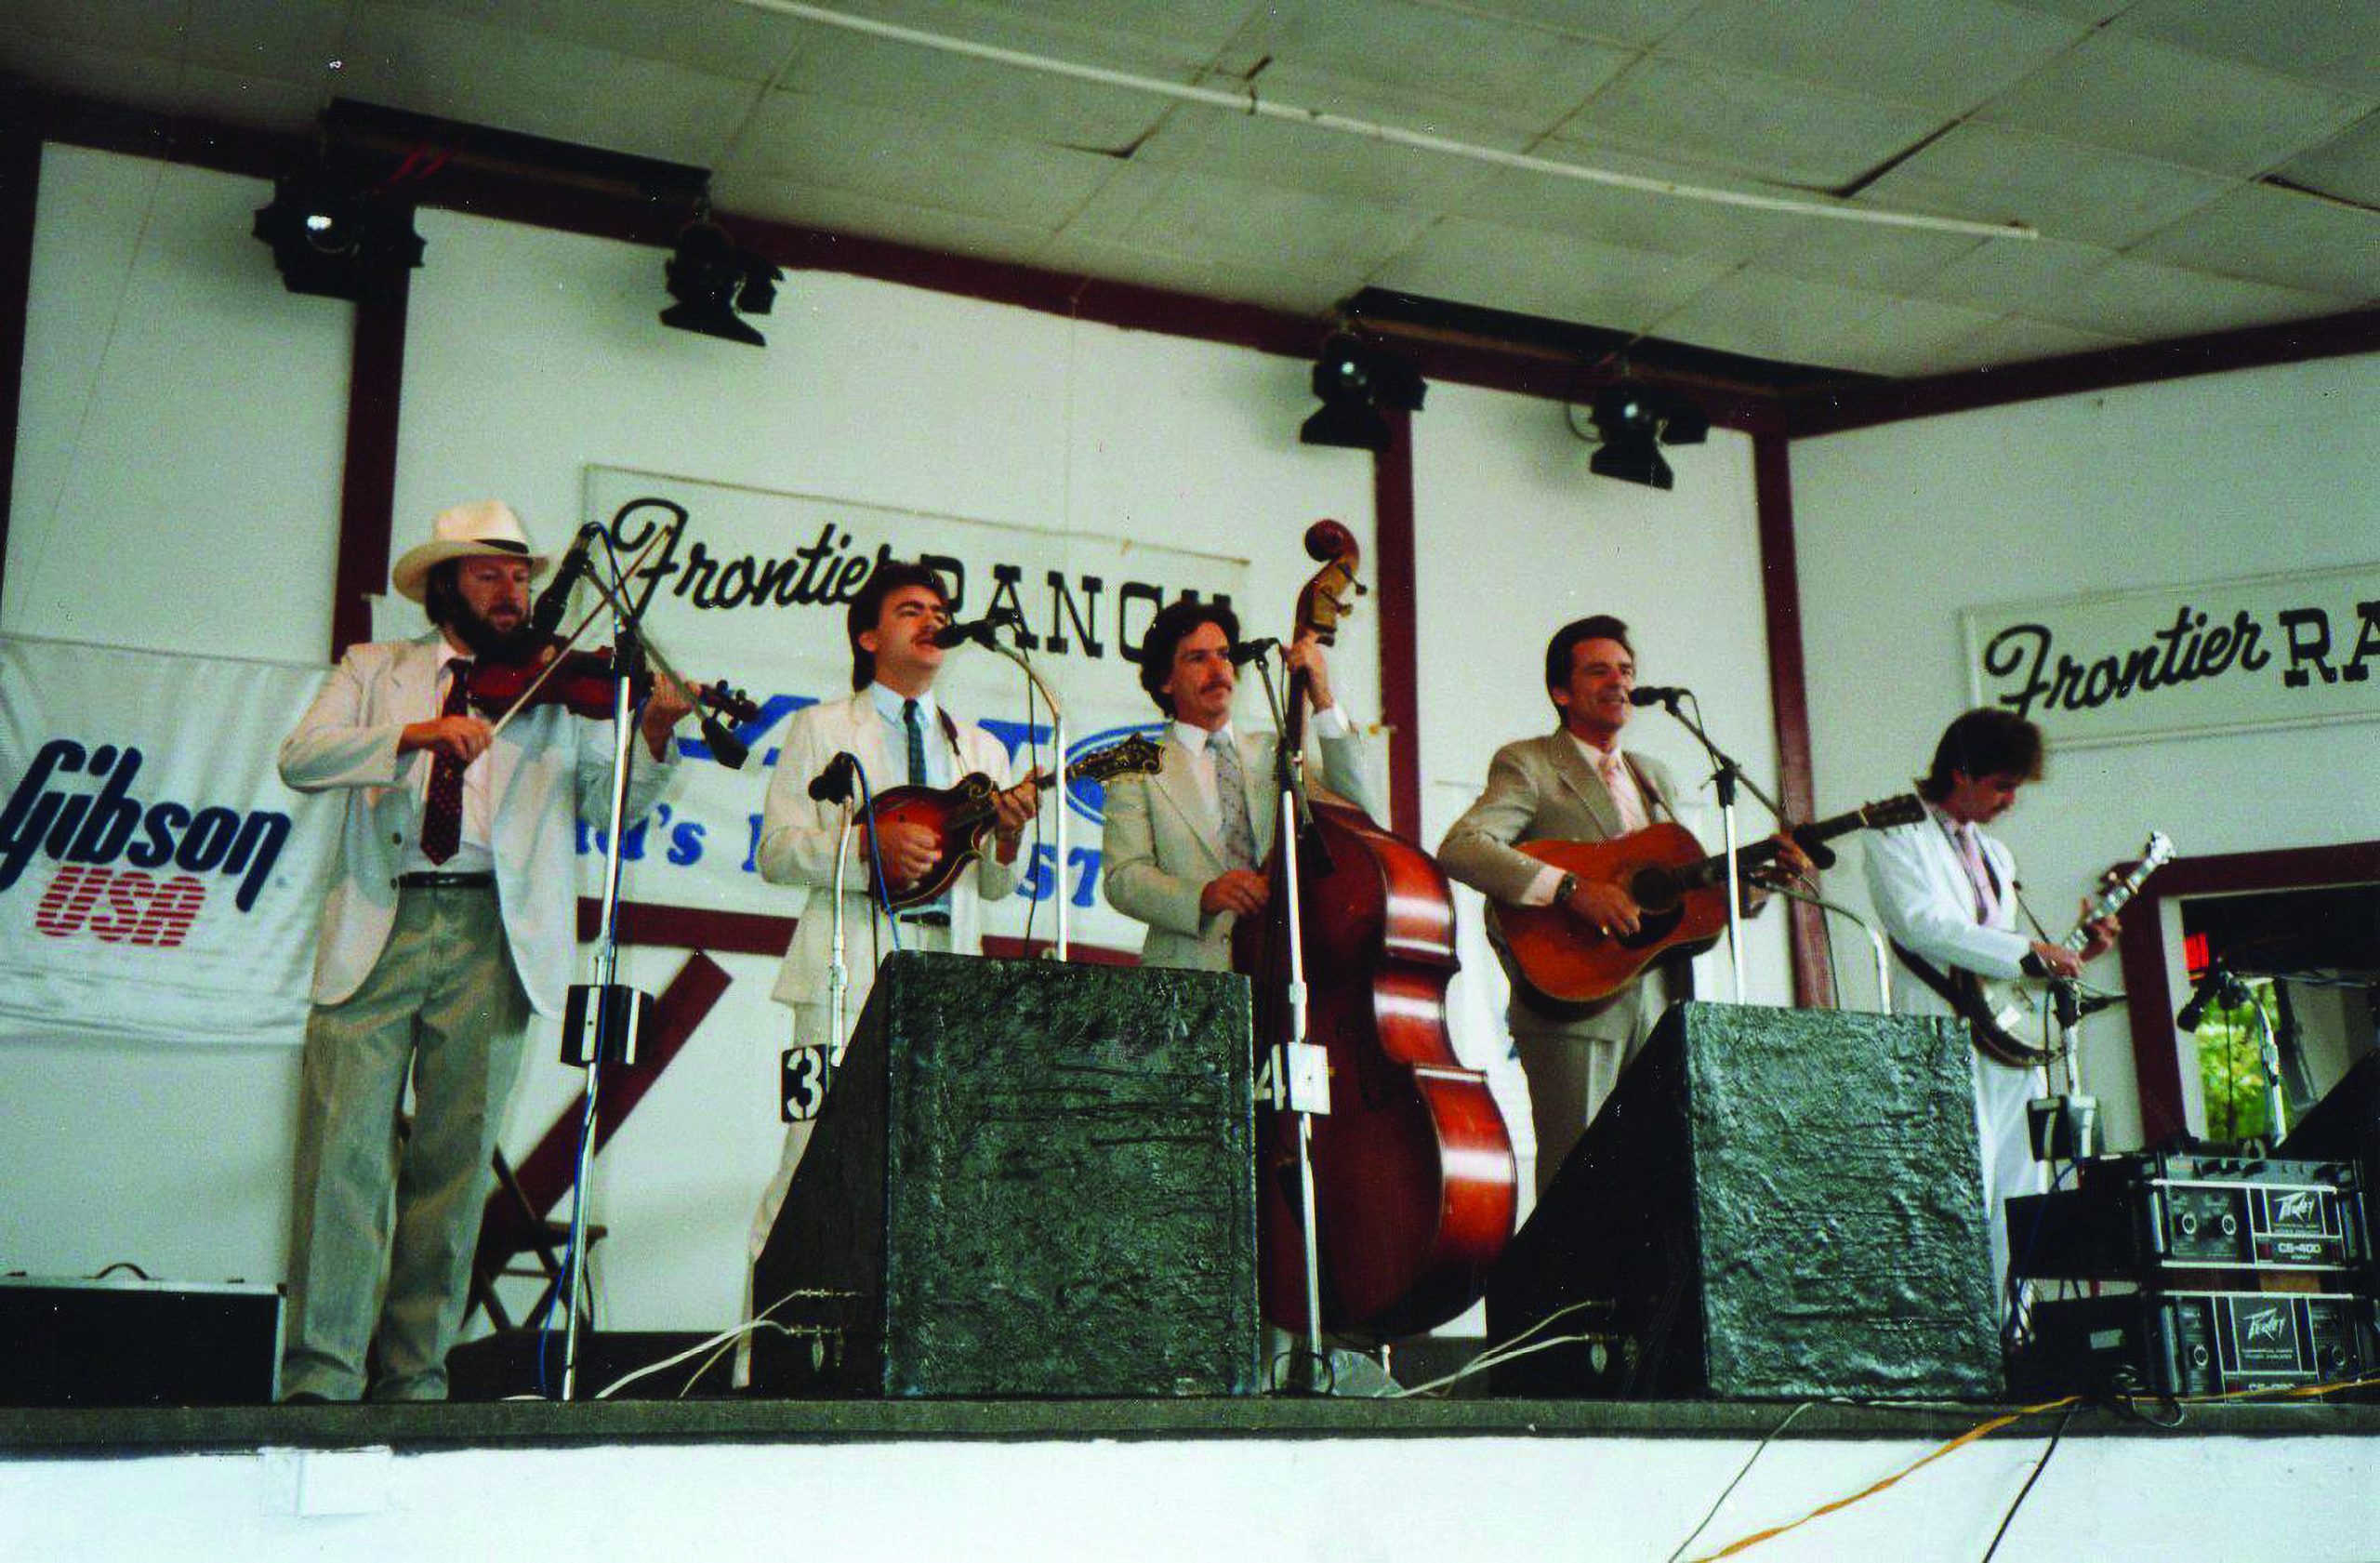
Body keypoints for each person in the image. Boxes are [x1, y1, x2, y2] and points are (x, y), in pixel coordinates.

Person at [277, 500, 692, 1402]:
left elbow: (608, 805)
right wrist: (416, 734)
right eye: (489, 574)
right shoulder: (375, 669)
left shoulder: (550, 680)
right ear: (443, 587)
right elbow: (302, 757)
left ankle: (415, 1379)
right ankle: (320, 1378)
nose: (513, 592)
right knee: (341, 1162)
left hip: (490, 937)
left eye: (520, 576)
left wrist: (653, 734)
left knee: (454, 1171)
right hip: (379, 927)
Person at [743, 561, 1035, 1326]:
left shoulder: (979, 749)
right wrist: (865, 852)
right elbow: (776, 850)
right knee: (809, 1165)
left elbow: (999, 889)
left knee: (934, 1173)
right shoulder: (820, 727)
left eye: (941, 609)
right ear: (870, 636)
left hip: (949, 981)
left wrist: (1010, 838)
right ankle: (761, 1356)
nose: (932, 619)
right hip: (843, 972)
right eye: (912, 609)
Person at [1437, 615, 1806, 1196]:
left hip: (1658, 997)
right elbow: (1462, 847)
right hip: (1575, 996)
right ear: (1561, 691)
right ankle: (1563, 1291)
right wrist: (1571, 889)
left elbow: (1687, 891)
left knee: (1651, 1180)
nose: (1618, 682)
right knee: (1578, 1181)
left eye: (1626, 670)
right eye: (1598, 670)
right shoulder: (1529, 763)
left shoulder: (1652, 775)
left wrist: (1762, 880)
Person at [1863, 707, 2118, 1297]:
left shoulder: (1996, 857)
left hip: (2005, 1038)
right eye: (2003, 786)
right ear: (1961, 774)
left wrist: (2076, 952)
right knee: (1958, 1184)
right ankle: (1963, 1338)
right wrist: (2032, 948)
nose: (2010, 802)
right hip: (1939, 1032)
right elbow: (1922, 926)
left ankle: (2017, 1330)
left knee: (2019, 1187)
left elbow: (2004, 964)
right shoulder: (1895, 833)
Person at [1102, 598, 1380, 972]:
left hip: (1284, 965)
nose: (1218, 669)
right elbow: (1125, 878)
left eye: (1224, 655)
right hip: (1189, 976)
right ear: (1165, 680)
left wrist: (1323, 699)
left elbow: (1360, 804)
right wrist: (1203, 895)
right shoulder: (1137, 768)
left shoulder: (1278, 751)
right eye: (1197, 658)